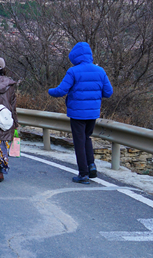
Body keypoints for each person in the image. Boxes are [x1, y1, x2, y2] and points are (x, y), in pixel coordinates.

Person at [48, 42, 114, 184]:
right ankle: (91, 166)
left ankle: (83, 174)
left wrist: (49, 91)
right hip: (93, 113)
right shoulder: (100, 71)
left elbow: (61, 90)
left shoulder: (73, 71)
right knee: (87, 138)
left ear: (75, 56)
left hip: (77, 113)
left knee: (79, 142)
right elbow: (108, 92)